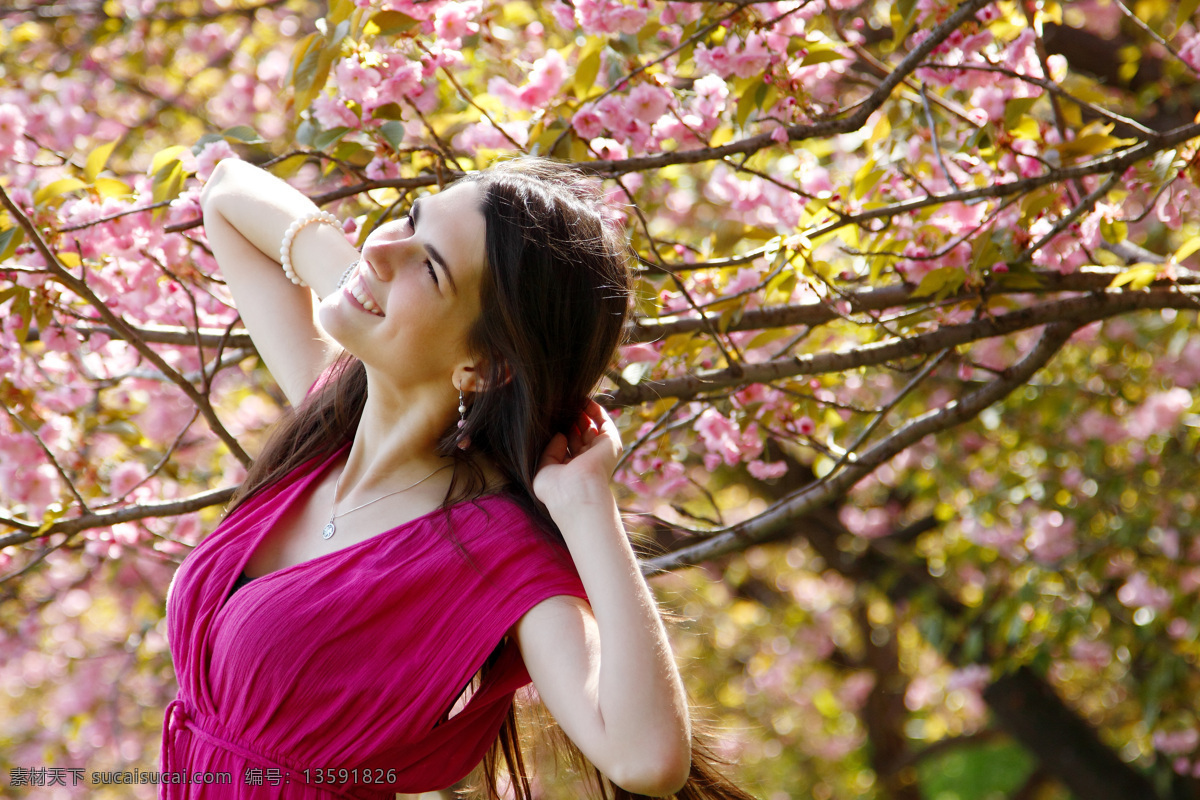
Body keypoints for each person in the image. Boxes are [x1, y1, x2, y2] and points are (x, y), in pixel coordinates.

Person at [161, 156, 751, 799]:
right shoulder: (326, 426)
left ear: (486, 365)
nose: (385, 245)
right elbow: (225, 193)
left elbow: (648, 760)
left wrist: (586, 506)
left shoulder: (491, 551)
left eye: (432, 267)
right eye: (410, 220)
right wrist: (374, 282)